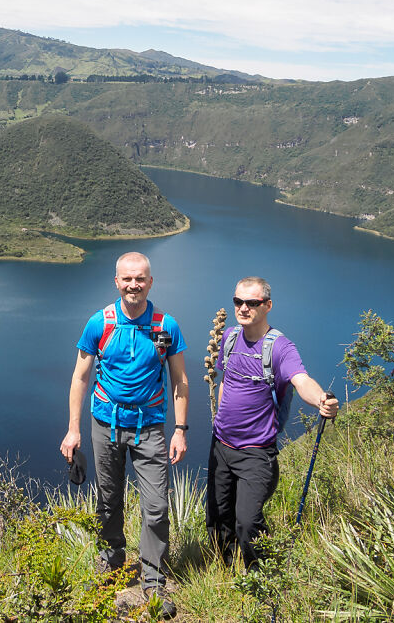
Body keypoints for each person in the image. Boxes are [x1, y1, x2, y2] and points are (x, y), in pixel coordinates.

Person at [60, 252, 189, 618]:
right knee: (108, 500)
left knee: (156, 506)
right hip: (105, 425)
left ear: (151, 282)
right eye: (127, 279)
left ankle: (153, 578)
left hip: (149, 428)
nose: (134, 284)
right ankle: (112, 562)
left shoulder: (166, 326)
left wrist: (180, 429)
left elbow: (180, 380)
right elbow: (80, 377)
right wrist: (73, 429)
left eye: (141, 278)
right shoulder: (100, 323)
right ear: (116, 282)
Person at [206, 276, 338, 570]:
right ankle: (227, 571)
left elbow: (300, 380)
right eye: (238, 302)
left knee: (248, 521)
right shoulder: (228, 338)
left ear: (267, 305)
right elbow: (226, 381)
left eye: (252, 303)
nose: (243, 308)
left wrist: (320, 400)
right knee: (217, 517)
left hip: (256, 452)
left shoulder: (280, 348)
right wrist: (220, 419)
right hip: (221, 445)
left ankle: (263, 574)